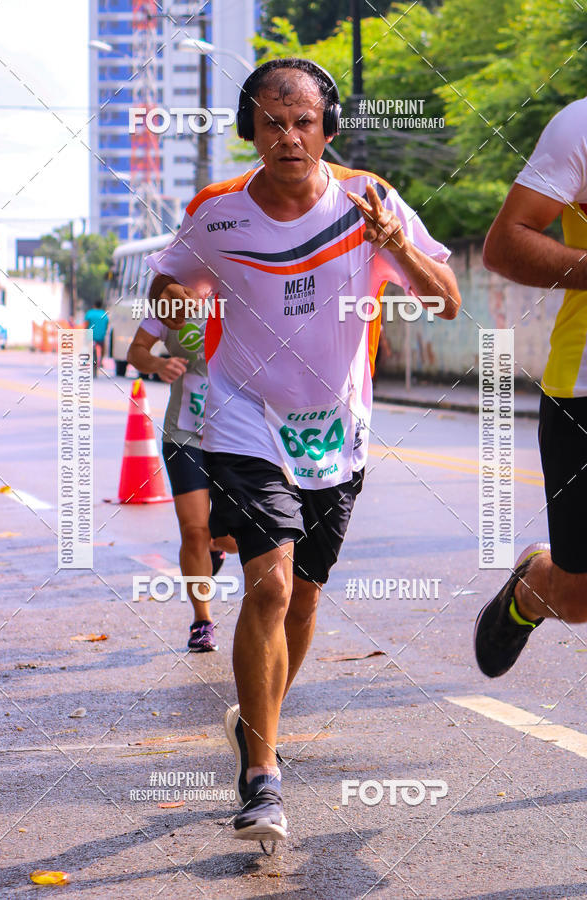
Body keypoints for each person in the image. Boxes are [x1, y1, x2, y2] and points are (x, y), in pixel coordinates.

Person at [147, 58, 461, 844]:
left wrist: (398, 246)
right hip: (244, 413)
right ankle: (260, 774)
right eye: (273, 122)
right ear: (251, 130)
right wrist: (178, 314)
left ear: (328, 129)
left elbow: (444, 301)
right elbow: (166, 285)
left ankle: (259, 724)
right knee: (271, 585)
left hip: (336, 423)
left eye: (305, 122)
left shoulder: (371, 200)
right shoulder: (217, 213)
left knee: (308, 597)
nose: (290, 136)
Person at [476, 97, 587, 678]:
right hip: (584, 390)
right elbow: (505, 244)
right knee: (580, 598)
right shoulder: (581, 125)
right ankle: (535, 588)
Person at [126, 314, 237, 651]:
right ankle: (202, 621)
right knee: (193, 531)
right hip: (184, 436)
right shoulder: (172, 299)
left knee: (232, 537)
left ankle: (216, 545)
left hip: (237, 436)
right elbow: (136, 351)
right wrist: (158, 364)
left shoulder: (245, 287)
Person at [83, 298, 109, 376]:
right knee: (103, 347)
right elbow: (107, 325)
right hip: (100, 336)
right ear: (101, 306)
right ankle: (101, 361)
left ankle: (86, 358)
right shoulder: (104, 314)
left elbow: (86, 324)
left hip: (90, 335)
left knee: (87, 346)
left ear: (94, 305)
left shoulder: (90, 313)